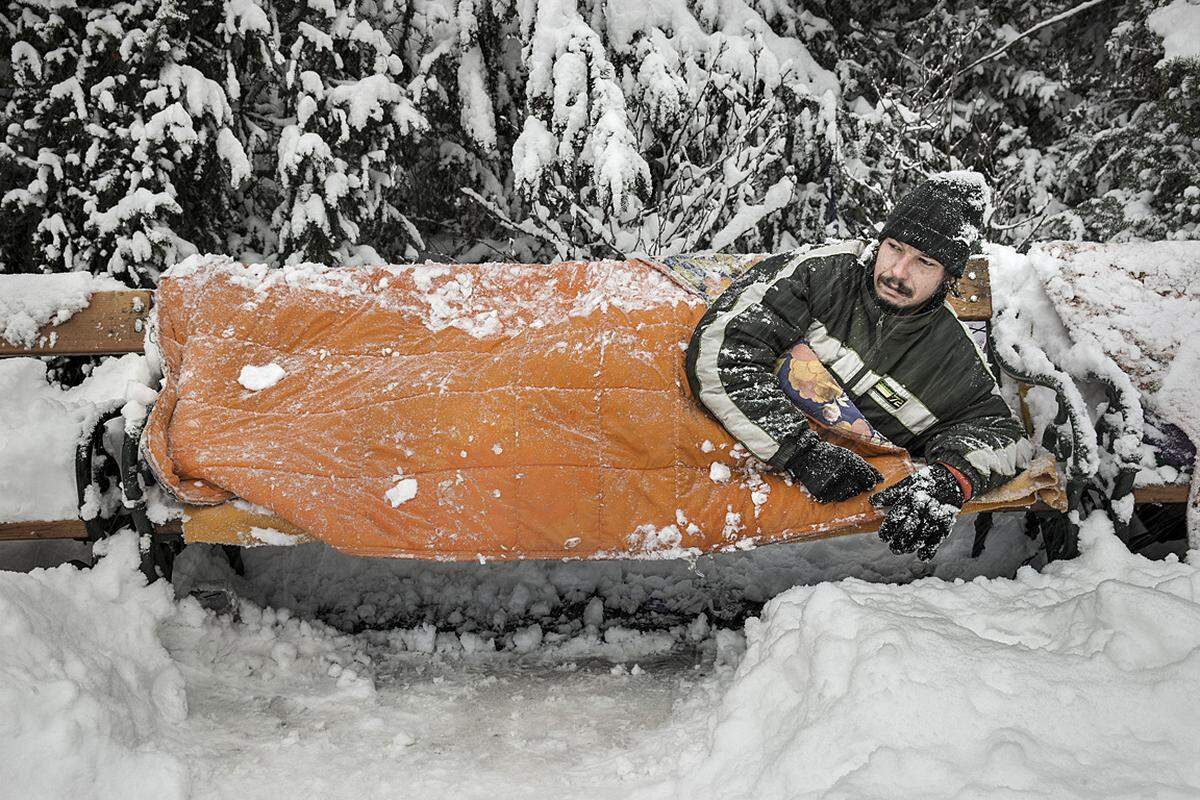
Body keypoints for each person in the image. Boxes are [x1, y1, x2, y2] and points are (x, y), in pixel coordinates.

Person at [684, 172, 1033, 560]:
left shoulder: (950, 352)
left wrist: (949, 481)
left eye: (924, 261)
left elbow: (1003, 433)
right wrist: (801, 452)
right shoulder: (821, 276)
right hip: (728, 449)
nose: (897, 272)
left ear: (948, 277)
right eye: (894, 247)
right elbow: (724, 348)